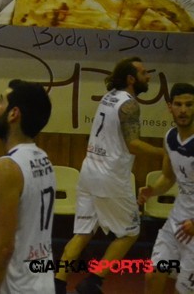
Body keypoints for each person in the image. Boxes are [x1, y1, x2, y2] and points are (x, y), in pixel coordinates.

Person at [55, 57, 162, 294]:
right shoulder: (129, 104)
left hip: (89, 171)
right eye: (144, 73)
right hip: (110, 176)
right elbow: (133, 144)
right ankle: (93, 281)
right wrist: (166, 153)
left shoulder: (109, 96)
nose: (148, 77)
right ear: (131, 79)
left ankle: (58, 283)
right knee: (130, 232)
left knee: (83, 232)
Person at [0, 79, 56, 294]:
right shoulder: (44, 159)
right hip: (42, 284)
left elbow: (4, 248)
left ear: (14, 114)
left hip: (16, 288)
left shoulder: (6, 168)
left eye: (0, 101)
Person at [139, 82, 194, 294]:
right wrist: (152, 191)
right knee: (153, 274)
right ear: (170, 107)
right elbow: (169, 177)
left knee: (184, 288)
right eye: (178, 104)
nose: (183, 110)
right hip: (176, 222)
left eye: (189, 104)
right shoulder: (170, 138)